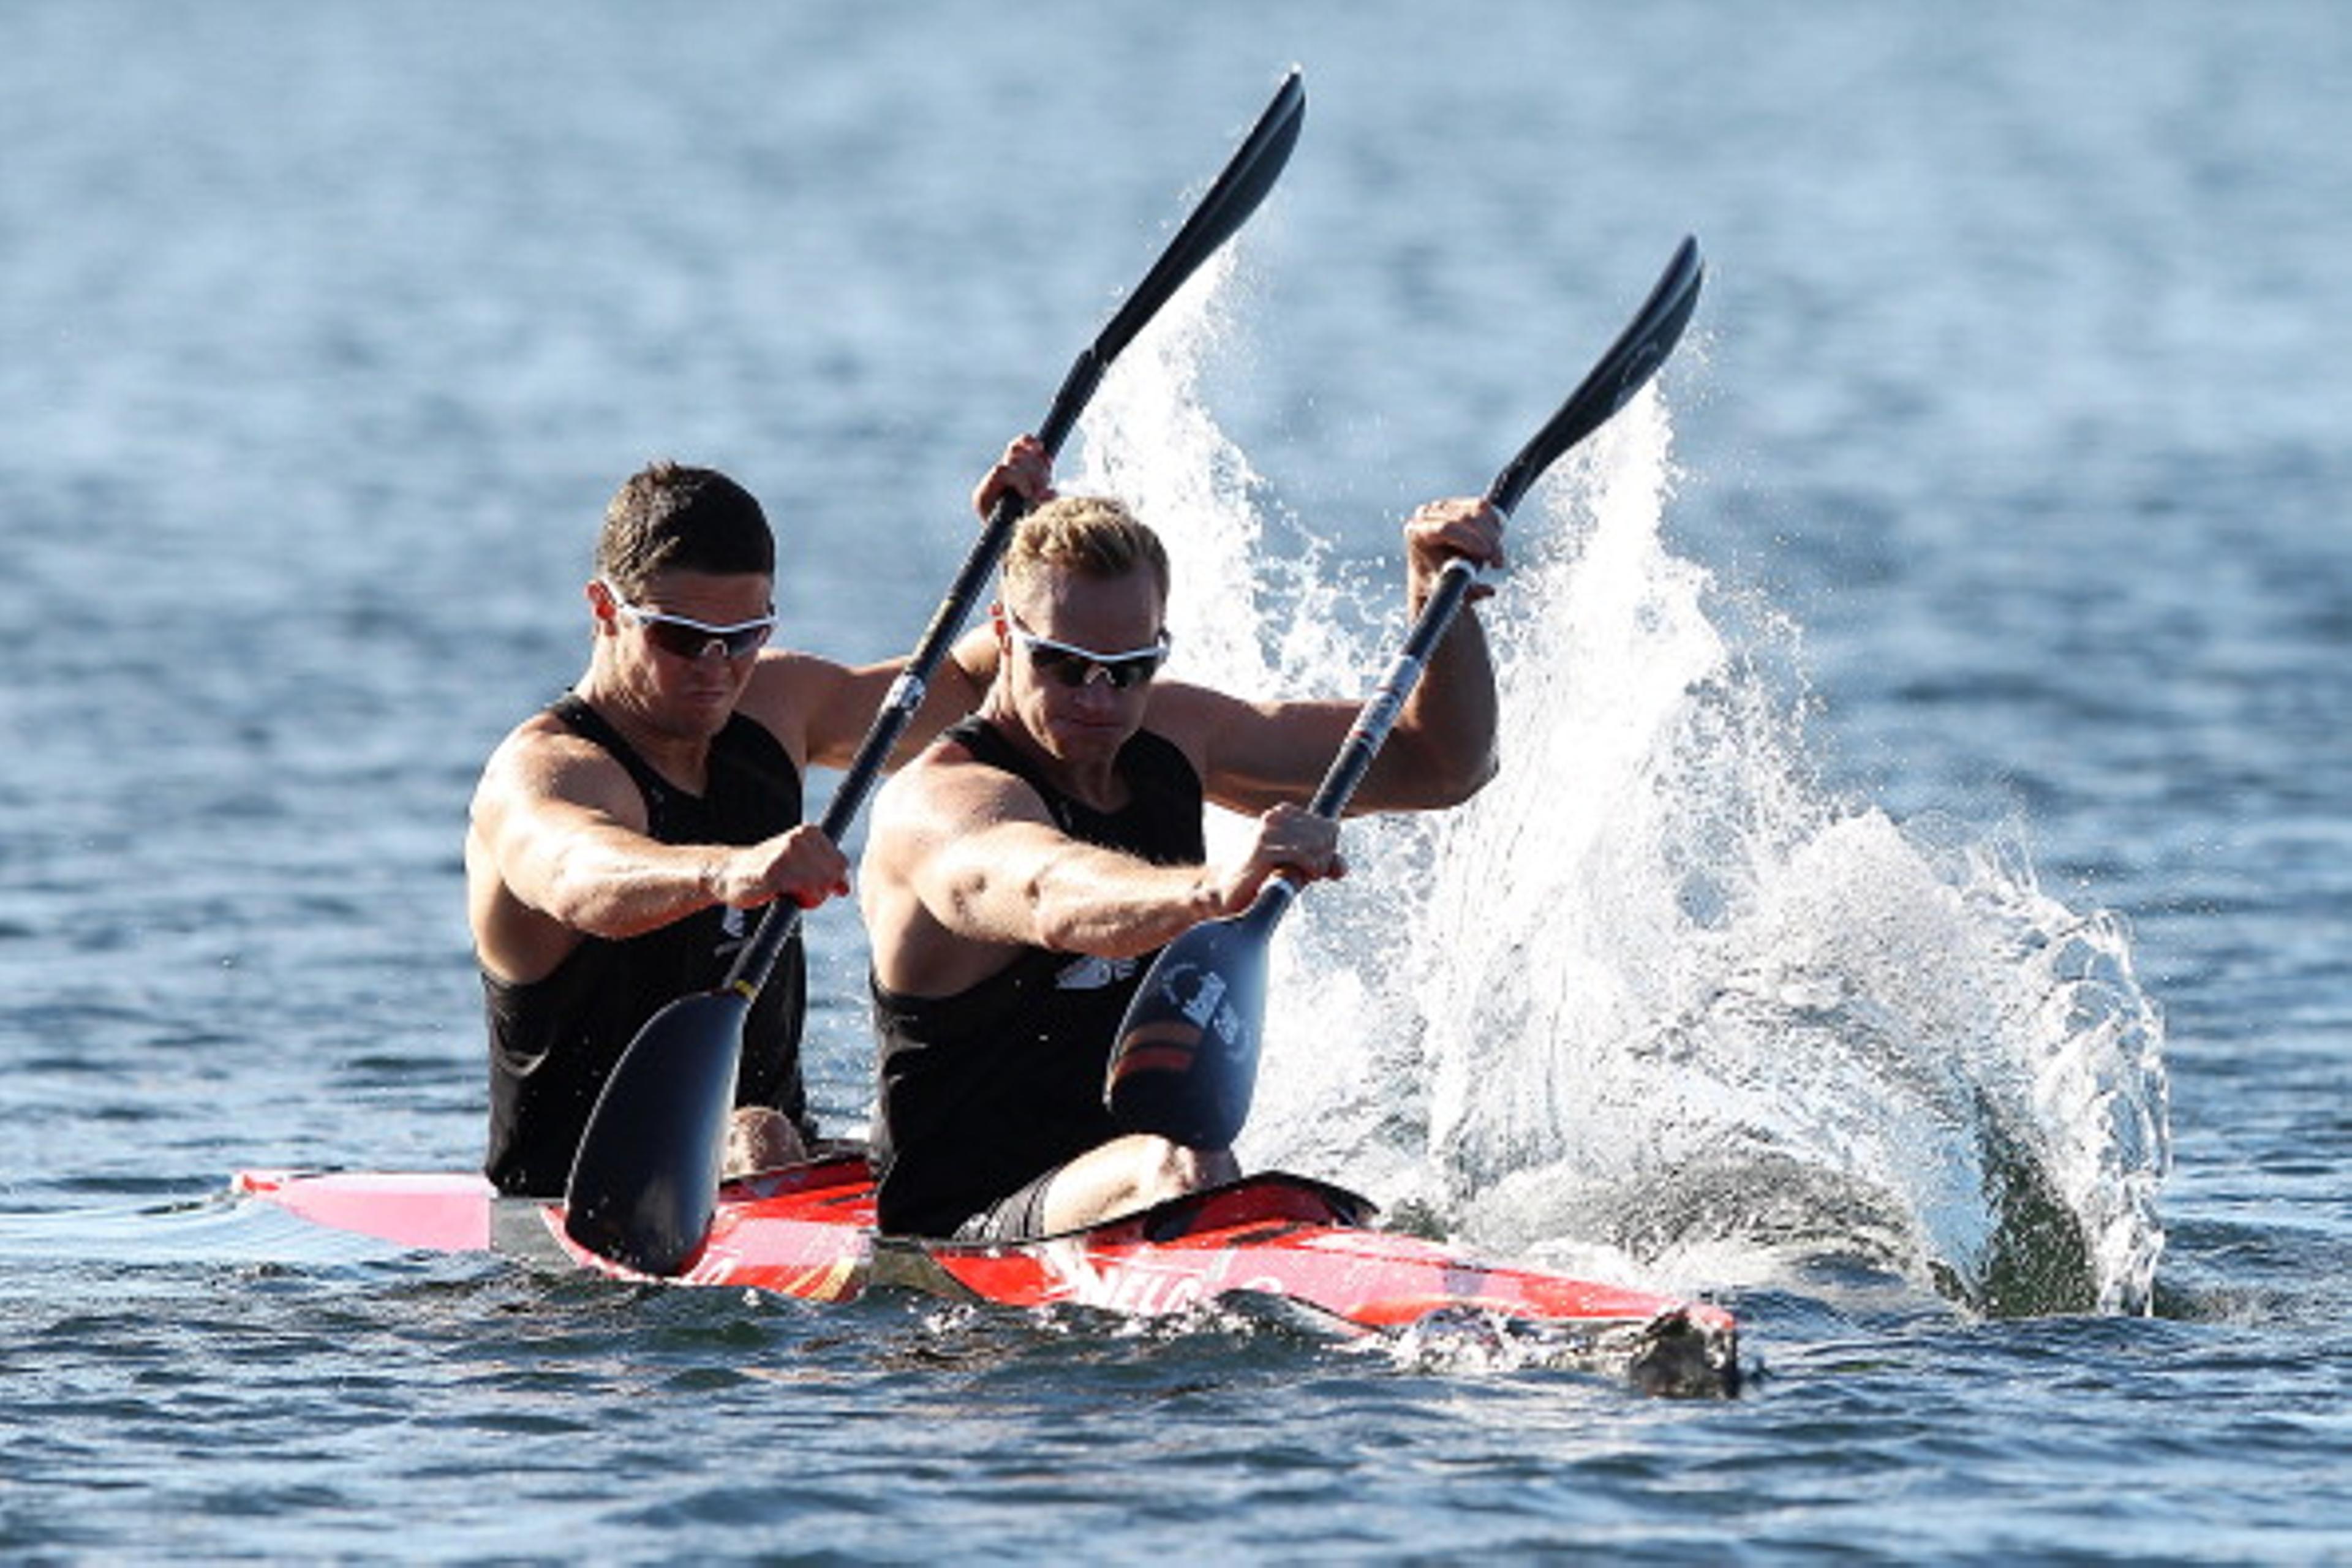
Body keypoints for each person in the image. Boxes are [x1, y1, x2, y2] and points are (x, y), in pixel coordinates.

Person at [858, 486, 1504, 1241]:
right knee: (1183, 1163)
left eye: (1130, 668)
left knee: (1198, 1167)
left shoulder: (1173, 733)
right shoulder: (936, 803)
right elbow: (1048, 894)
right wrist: (1210, 889)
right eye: (1065, 665)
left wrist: (1440, 598)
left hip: (1126, 1187)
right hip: (961, 1229)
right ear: (1004, 632)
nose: (1099, 699)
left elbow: (1442, 766)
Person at [468, 440, 1052, 1197]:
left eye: (746, 637)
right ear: (605, 609)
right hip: (589, 1196)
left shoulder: (775, 710)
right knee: (756, 1130)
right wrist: (733, 870)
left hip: (775, 1168)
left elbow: (974, 685)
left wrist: (1026, 557)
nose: (717, 668)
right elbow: (580, 877)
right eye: (682, 639)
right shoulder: (548, 771)